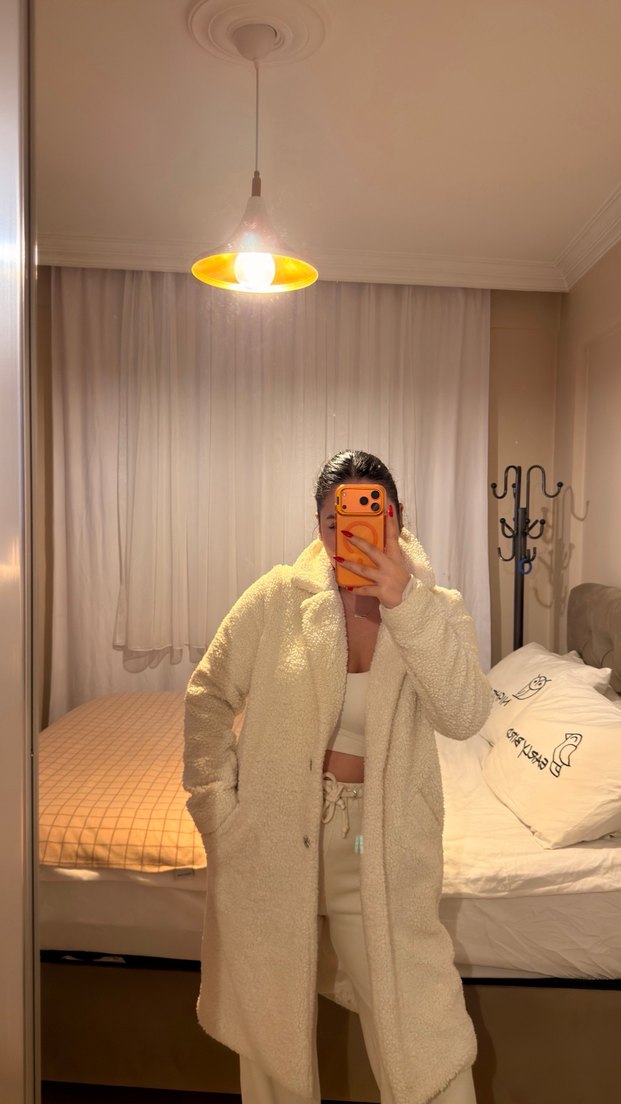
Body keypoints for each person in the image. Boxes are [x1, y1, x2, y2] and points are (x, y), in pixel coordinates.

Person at [183, 449, 493, 1104]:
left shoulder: (436, 608)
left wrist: (404, 603)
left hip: (373, 841)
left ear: (396, 517)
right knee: (270, 1024)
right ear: (318, 525)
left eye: (368, 518)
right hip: (273, 834)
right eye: (334, 522)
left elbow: (464, 714)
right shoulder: (277, 598)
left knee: (420, 1022)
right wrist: (215, 808)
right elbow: (208, 693)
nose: (348, 535)